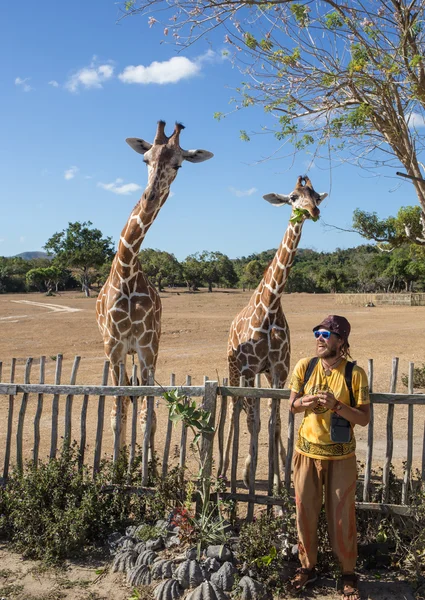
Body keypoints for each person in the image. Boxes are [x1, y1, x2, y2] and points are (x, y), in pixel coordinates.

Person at [287, 315, 370, 600]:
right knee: (305, 513)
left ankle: (348, 574)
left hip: (341, 457)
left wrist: (336, 406)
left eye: (326, 334)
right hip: (306, 453)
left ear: (341, 341)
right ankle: (306, 567)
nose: (319, 338)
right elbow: (292, 405)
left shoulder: (354, 374)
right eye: (317, 333)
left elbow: (364, 418)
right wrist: (304, 403)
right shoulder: (304, 366)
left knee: (342, 518)